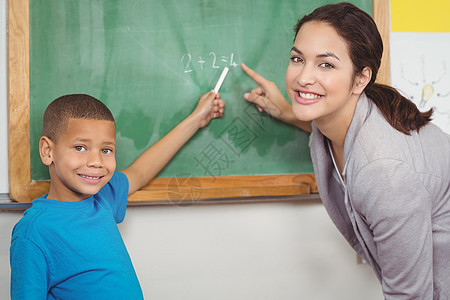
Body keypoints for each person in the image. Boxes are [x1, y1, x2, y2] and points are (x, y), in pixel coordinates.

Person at [242, 2, 450, 299]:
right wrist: (290, 112)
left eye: (326, 64)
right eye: (297, 59)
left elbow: (410, 295)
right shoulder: (349, 116)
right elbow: (342, 137)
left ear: (361, 78)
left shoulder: (383, 172)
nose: (303, 77)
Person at [10, 92, 225, 299]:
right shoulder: (34, 232)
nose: (96, 161)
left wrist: (197, 118)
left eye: (106, 150)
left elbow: (139, 173)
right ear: (48, 151)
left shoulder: (102, 198)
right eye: (80, 147)